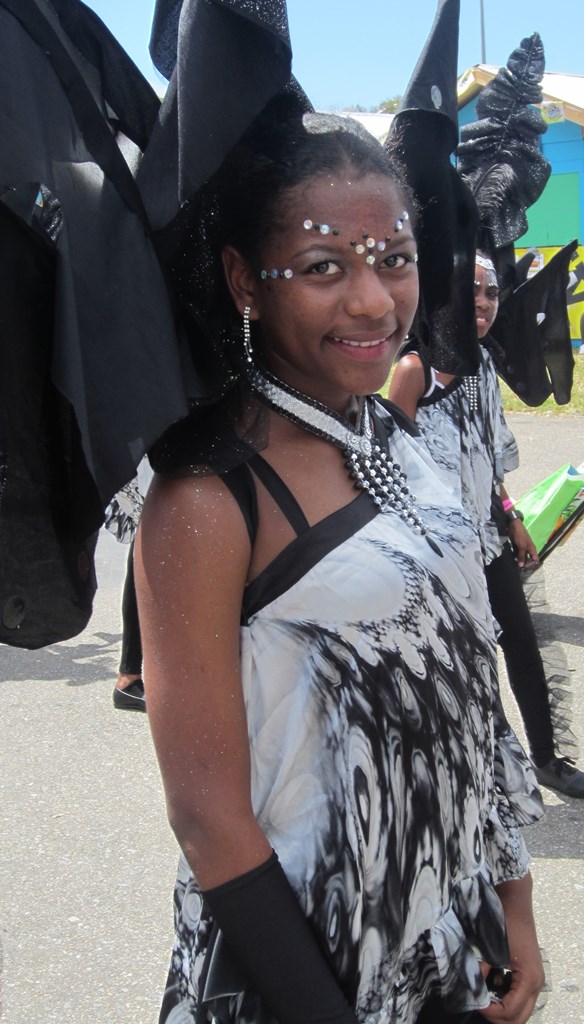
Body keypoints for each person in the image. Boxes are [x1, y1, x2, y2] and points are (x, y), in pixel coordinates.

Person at [135, 102, 544, 1024]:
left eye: (393, 260)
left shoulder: (397, 440)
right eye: (324, 268)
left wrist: (511, 898)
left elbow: (472, 683)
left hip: (449, 933)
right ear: (245, 279)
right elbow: (206, 814)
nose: (372, 301)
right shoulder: (209, 499)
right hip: (299, 964)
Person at [388, 253, 584, 799]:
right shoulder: (413, 372)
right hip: (438, 554)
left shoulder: (483, 365)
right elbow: (389, 465)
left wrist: (512, 515)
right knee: (470, 664)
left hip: (489, 539)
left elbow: (487, 456)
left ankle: (546, 759)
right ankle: (486, 775)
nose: (481, 303)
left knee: (521, 643)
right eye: (466, 291)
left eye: (491, 293)